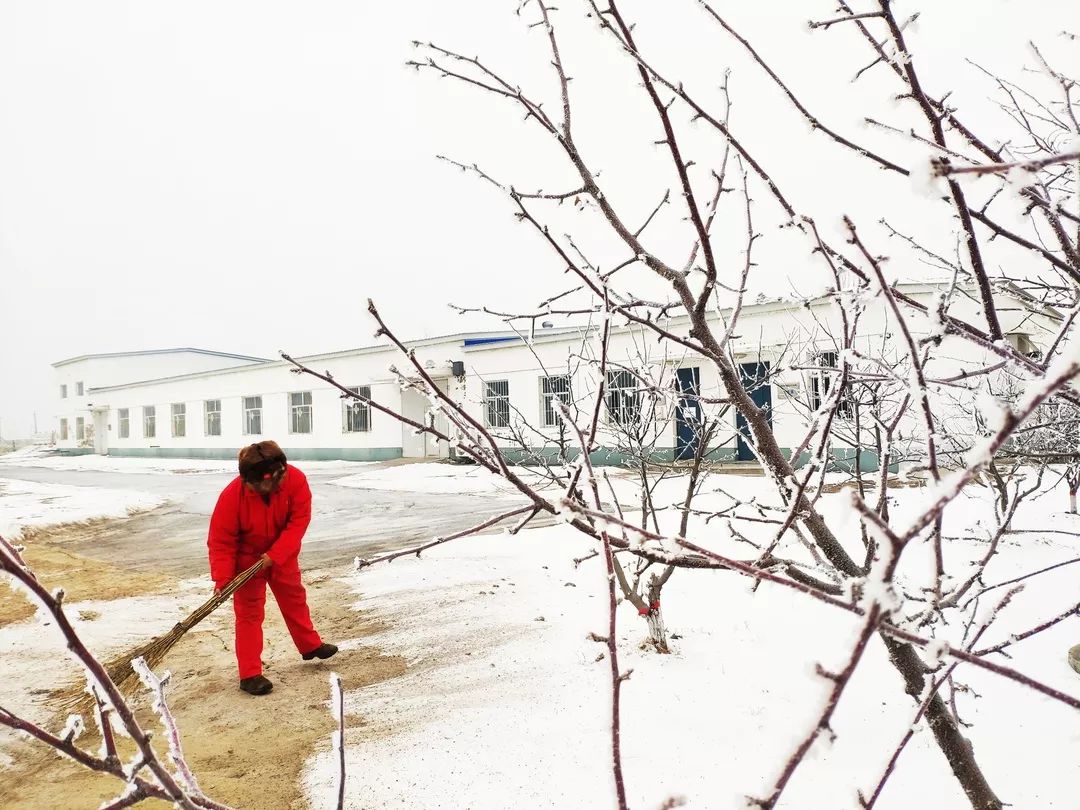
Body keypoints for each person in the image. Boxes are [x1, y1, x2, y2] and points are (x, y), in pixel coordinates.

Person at [207, 440, 337, 695]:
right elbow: (221, 541)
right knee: (249, 615)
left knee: (295, 599)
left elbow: (299, 521)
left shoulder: (296, 480)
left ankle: (310, 646)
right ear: (248, 480)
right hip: (246, 563)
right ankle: (250, 674)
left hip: (282, 554)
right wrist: (223, 579)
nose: (268, 487)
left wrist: (276, 554)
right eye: (260, 484)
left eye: (273, 481)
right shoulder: (232, 496)